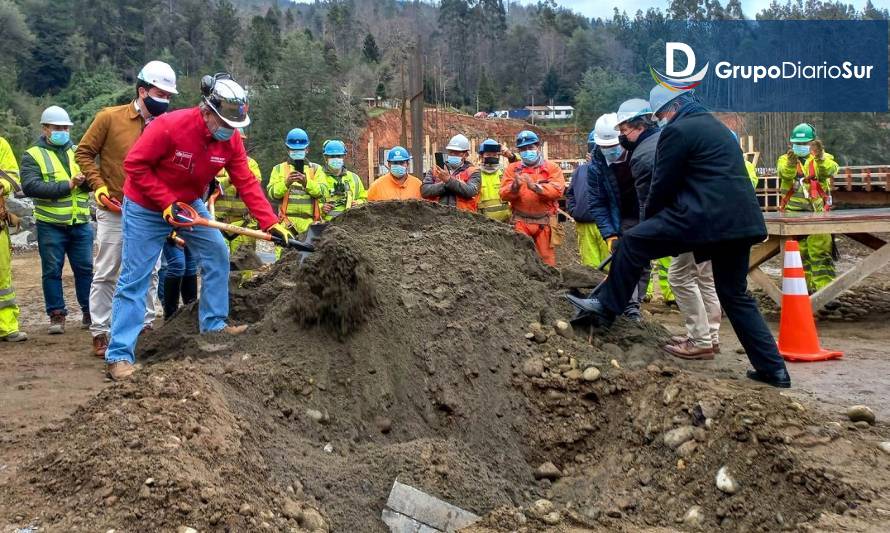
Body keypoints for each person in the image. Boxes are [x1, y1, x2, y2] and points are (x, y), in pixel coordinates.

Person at [566, 86, 791, 389]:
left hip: (704, 219)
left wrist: (650, 227)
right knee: (735, 294)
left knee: (632, 241)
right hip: (741, 223)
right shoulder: (716, 127)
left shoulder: (679, 131)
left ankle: (606, 308)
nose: (660, 122)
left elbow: (662, 184)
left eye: (660, 116)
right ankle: (774, 370)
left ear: (671, 109)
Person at [105, 73, 291, 381]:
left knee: (217, 253)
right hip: (146, 206)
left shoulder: (229, 140)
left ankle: (214, 326)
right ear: (207, 111)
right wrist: (165, 201)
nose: (231, 132)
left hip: (190, 204)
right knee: (135, 277)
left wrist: (271, 223)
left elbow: (245, 180)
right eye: (226, 124)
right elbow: (134, 166)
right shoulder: (169, 127)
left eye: (236, 127)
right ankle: (120, 355)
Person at [77, 60, 177, 357]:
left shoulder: (167, 126)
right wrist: (99, 185)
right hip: (115, 207)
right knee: (108, 270)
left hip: (149, 212)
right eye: (161, 94)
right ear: (143, 90)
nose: (166, 101)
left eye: (170, 97)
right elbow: (84, 152)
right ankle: (101, 331)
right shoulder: (109, 118)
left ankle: (144, 327)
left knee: (150, 271)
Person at [21, 106, 93, 335]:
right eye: (57, 128)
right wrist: (68, 185)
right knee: (52, 270)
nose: (63, 131)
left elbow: (94, 179)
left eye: (66, 128)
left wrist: (83, 182)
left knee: (85, 269)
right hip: (50, 224)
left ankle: (89, 311)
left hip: (80, 222)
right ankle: (56, 315)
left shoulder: (78, 151)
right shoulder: (32, 154)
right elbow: (31, 186)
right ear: (46, 129)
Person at [586, 112, 648, 320]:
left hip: (645, 210)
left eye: (611, 146)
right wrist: (610, 234)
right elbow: (597, 202)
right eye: (603, 147)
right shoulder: (597, 166)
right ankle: (627, 305)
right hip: (620, 216)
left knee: (641, 260)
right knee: (623, 256)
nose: (608, 151)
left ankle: (633, 305)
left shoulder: (640, 152)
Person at [777, 123, 838, 292]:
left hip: (818, 215)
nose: (801, 147)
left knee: (820, 254)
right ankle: (804, 291)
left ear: (813, 143)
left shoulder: (823, 159)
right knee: (799, 255)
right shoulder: (784, 160)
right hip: (792, 217)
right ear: (791, 144)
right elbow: (785, 173)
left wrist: (820, 158)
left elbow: (829, 171)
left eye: (805, 144)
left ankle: (825, 291)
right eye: (798, 144)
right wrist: (790, 163)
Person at [499, 130, 565, 267]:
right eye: (523, 149)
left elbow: (558, 190)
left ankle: (550, 287)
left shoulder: (552, 168)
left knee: (547, 261)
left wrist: (537, 188)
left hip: (544, 222)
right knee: (521, 260)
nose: (527, 151)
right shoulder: (512, 169)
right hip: (521, 222)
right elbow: (503, 194)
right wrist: (514, 188)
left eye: (530, 148)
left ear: (538, 147)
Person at [267, 128, 325, 241]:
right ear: (288, 149)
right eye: (294, 149)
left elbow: (322, 192)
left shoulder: (316, 169)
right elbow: (272, 194)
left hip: (310, 225)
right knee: (284, 258)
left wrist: (306, 182)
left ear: (307, 149)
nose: (297, 152)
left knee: (308, 258)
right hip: (286, 223)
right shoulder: (278, 169)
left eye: (301, 149)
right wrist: (286, 183)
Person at [213, 127, 262, 253]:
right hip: (217, 224)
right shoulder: (214, 161)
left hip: (243, 224)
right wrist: (229, 180)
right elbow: (207, 188)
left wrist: (242, 176)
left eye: (240, 140)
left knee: (244, 268)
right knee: (219, 266)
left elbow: (255, 185)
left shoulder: (251, 164)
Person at [0, 136, 26, 342]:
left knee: (2, 279)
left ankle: (7, 326)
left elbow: (12, 177)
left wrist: (2, 184)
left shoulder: (1, 144)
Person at [422, 134, 481, 211]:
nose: (453, 154)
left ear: (465, 154)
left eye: (456, 152)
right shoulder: (435, 170)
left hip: (463, 218)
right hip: (437, 216)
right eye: (450, 152)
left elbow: (470, 191)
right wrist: (447, 184)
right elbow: (425, 191)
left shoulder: (473, 171)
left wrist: (448, 180)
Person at [316, 140, 366, 220]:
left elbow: (364, 199)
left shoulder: (354, 178)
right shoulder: (317, 177)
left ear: (344, 156)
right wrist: (321, 208)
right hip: (326, 227)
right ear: (325, 157)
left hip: (351, 226)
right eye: (332, 156)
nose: (336, 159)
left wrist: (358, 203)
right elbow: (309, 205)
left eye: (339, 156)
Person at [476, 138, 512, 222]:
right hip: (483, 224)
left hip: (506, 223)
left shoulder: (504, 173)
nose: (491, 157)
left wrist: (510, 156)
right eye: (488, 154)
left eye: (494, 155)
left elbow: (522, 168)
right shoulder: (476, 174)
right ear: (481, 156)